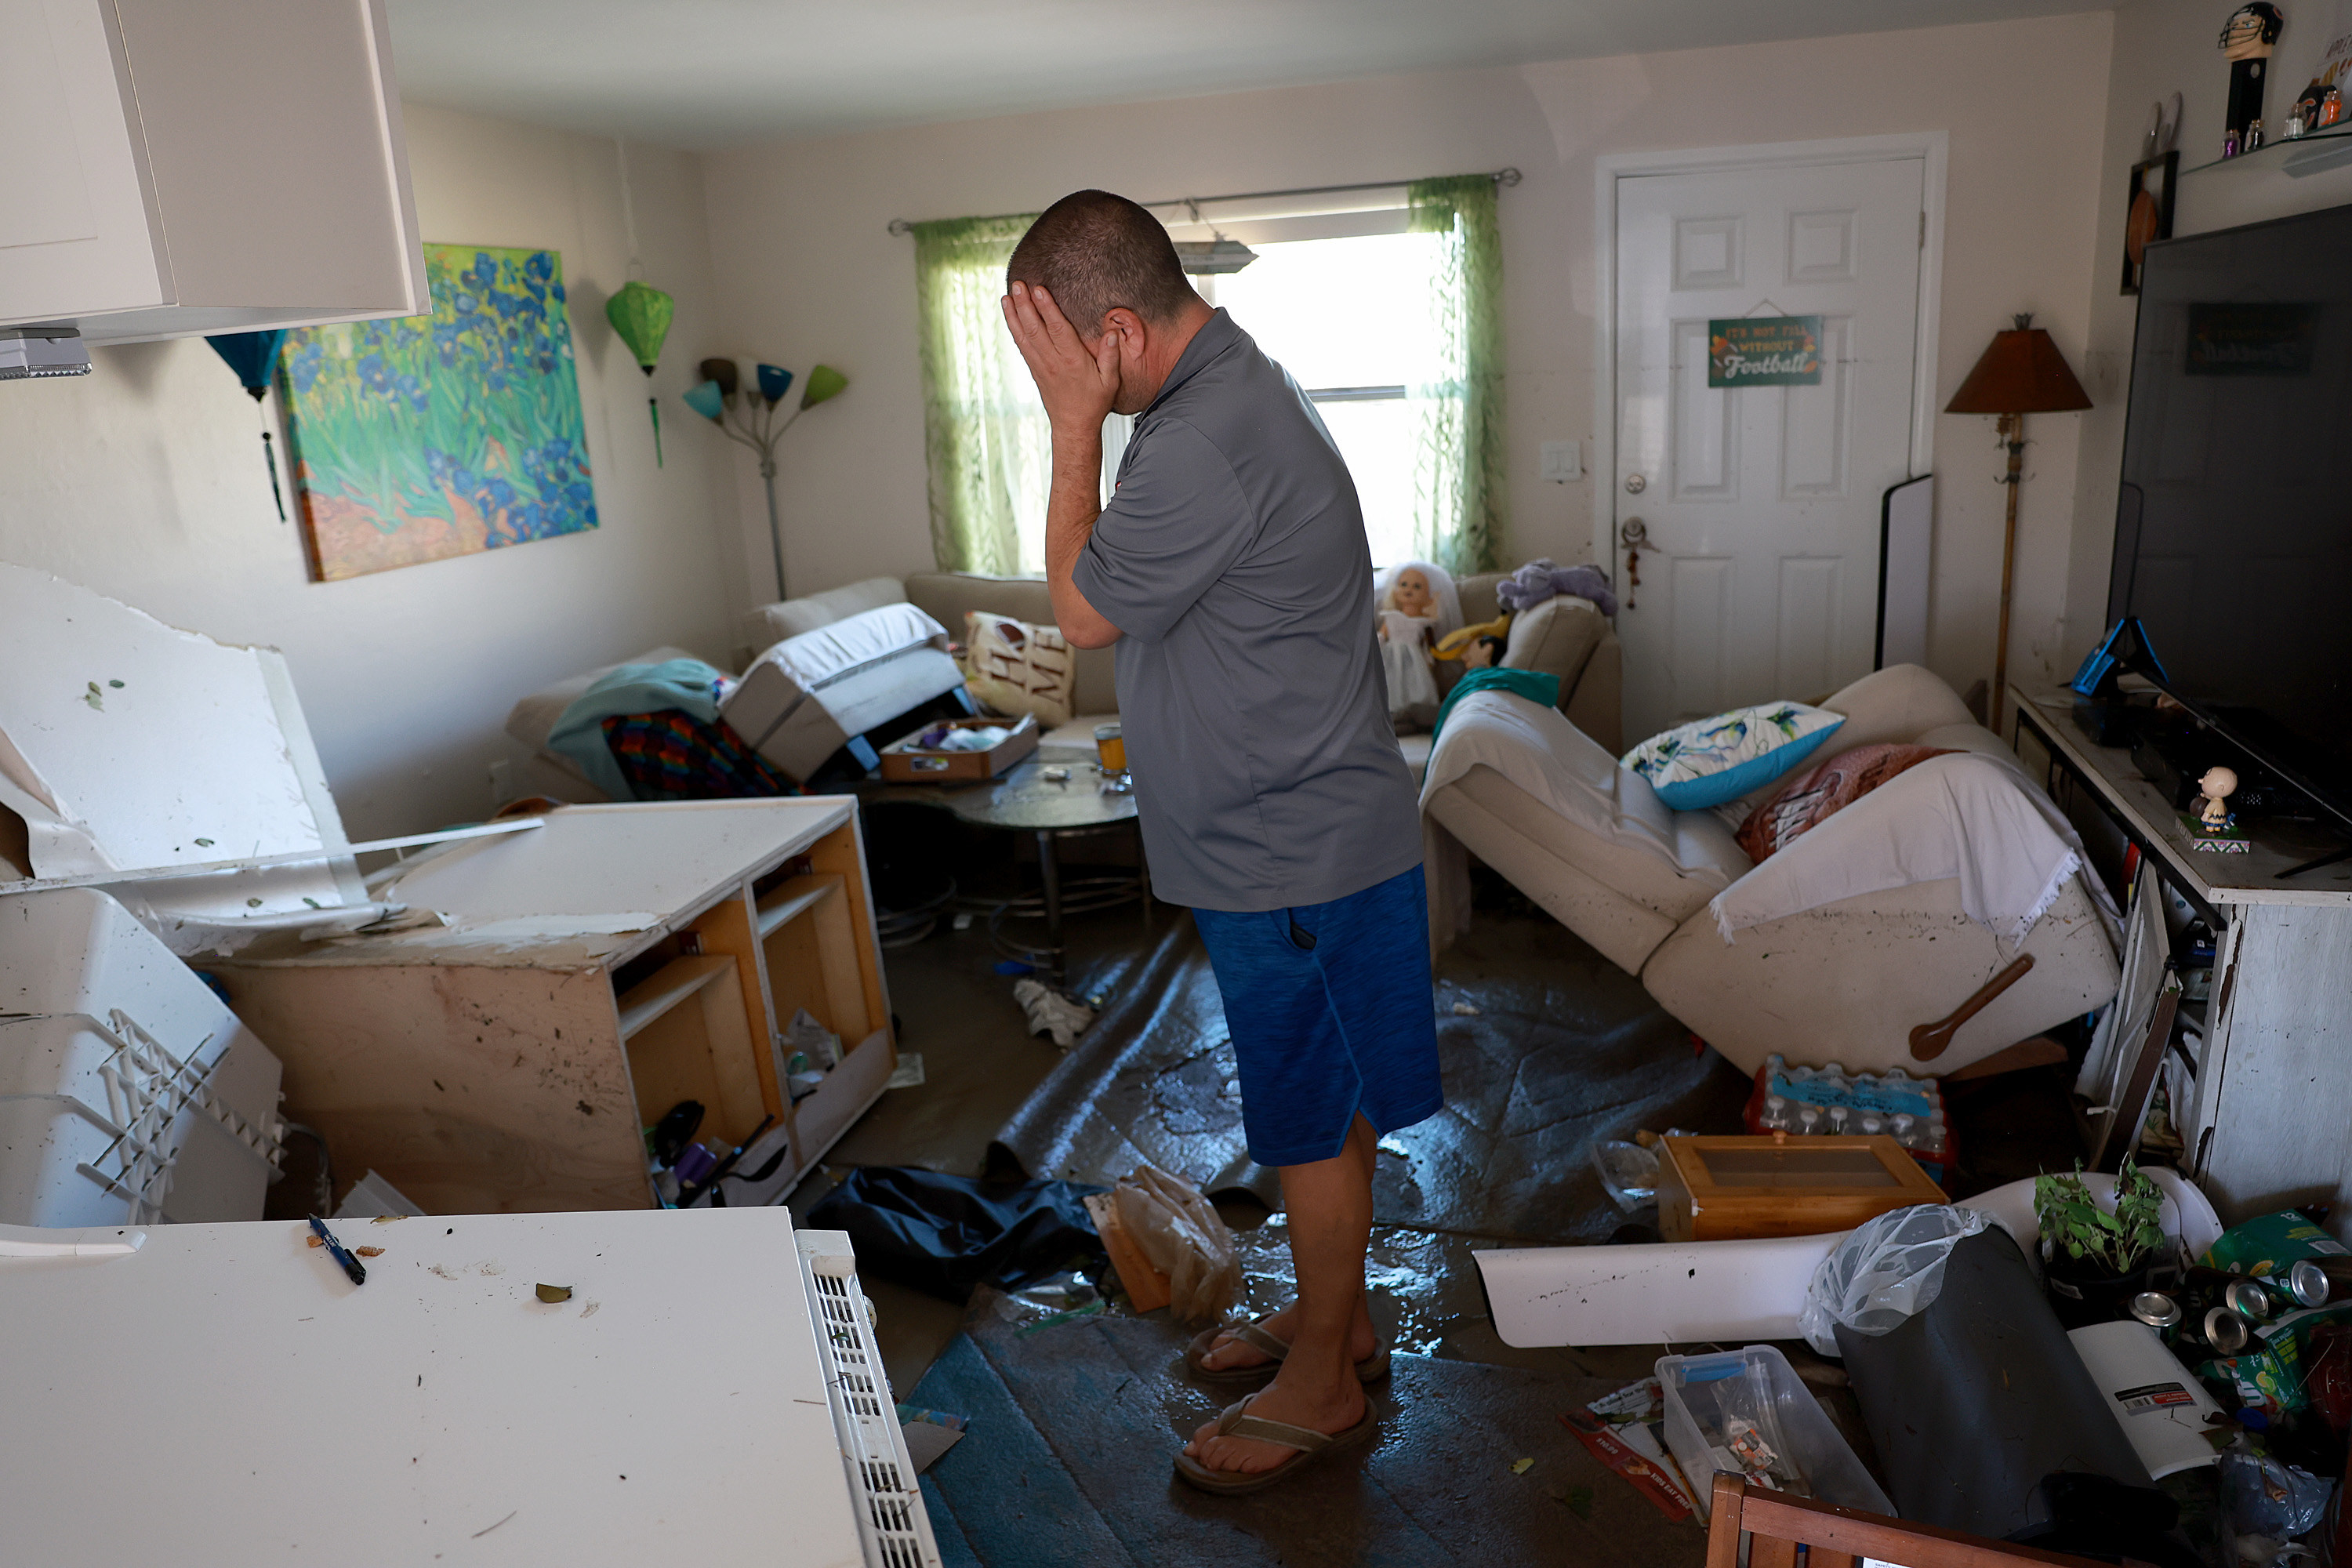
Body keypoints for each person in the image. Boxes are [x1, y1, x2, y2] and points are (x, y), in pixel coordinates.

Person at [1000, 190, 1441, 1494]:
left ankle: (1325, 1389)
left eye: (1058, 359)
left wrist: (1071, 431)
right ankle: (1339, 1327)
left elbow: (1079, 613)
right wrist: (1091, 408)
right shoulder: (1235, 385)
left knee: (1305, 1119)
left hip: (1287, 845)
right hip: (1307, 826)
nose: (1050, 383)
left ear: (1117, 333)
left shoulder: (1192, 439)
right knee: (1334, 1098)